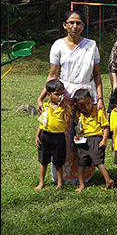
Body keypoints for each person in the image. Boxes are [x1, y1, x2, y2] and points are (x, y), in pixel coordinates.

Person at [37, 10, 103, 184]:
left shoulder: (91, 46)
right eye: (71, 22)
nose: (75, 26)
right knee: (64, 137)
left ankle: (85, 174)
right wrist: (40, 97)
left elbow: (97, 75)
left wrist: (100, 99)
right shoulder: (58, 45)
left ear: (83, 25)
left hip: (86, 98)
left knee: (87, 134)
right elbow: (53, 74)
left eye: (78, 23)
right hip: (64, 97)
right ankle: (63, 176)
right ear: (64, 25)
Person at [72, 89, 113, 192]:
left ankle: (108, 180)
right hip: (83, 140)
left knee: (98, 161)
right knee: (81, 162)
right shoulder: (78, 114)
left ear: (91, 100)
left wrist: (104, 140)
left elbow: (106, 127)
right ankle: (81, 184)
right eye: (82, 106)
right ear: (77, 105)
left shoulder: (98, 112)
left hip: (95, 138)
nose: (86, 107)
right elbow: (77, 127)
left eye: (88, 103)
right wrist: (76, 136)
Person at [35, 79, 70, 190]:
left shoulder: (65, 108)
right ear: (49, 95)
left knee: (58, 162)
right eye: (56, 94)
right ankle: (41, 182)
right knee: (43, 161)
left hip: (59, 137)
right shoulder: (45, 106)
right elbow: (41, 122)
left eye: (62, 94)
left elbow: (67, 120)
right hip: (45, 136)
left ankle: (59, 183)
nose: (60, 97)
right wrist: (37, 135)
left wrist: (65, 108)